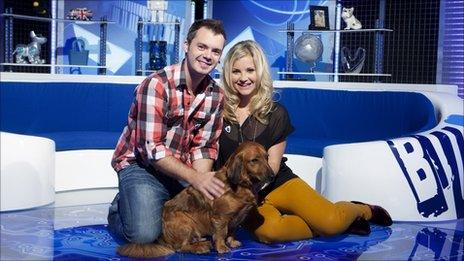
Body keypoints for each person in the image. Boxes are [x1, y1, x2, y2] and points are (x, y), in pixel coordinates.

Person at [215, 40, 392, 243]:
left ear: (260, 72)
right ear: (228, 74)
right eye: (236, 71)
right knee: (269, 233)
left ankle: (362, 210)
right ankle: (331, 226)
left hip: (276, 183)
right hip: (239, 194)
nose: (243, 78)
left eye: (250, 70)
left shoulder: (276, 113)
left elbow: (271, 167)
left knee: (332, 222)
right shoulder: (217, 111)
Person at [108, 19, 227, 244]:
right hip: (141, 166)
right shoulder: (157, 85)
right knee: (144, 236)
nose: (208, 55)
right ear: (186, 46)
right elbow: (152, 150)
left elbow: (205, 147)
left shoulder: (216, 95)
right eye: (201, 47)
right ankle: (119, 210)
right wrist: (196, 179)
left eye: (215, 51)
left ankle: (151, 204)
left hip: (182, 170)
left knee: (203, 228)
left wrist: (201, 183)